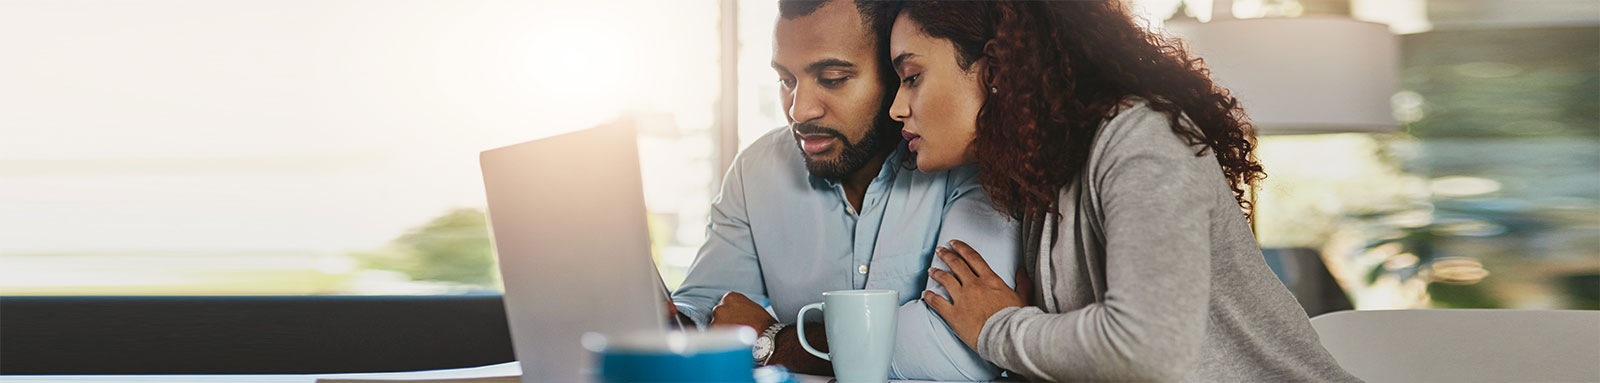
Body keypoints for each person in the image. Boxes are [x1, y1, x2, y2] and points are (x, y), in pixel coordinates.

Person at [884, 1, 1361, 381]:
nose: (897, 108)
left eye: (912, 77)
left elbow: (1146, 351)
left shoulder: (1140, 138)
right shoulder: (1042, 179)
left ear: (995, 68)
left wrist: (997, 327)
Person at [667, 0, 1019, 380]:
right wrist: (672, 323)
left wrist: (776, 341)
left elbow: (960, 351)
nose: (799, 111)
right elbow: (704, 309)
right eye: (787, 80)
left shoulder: (965, 158)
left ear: (896, 72)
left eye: (832, 78)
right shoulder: (755, 172)